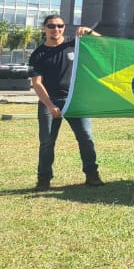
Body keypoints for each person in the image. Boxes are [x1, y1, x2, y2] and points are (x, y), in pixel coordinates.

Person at [31, 14, 102, 190]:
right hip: (50, 101)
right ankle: (44, 179)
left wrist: (90, 32)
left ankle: (92, 175)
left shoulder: (74, 44)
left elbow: (104, 46)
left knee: (86, 138)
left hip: (75, 100)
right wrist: (50, 105)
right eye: (51, 26)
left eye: (60, 26)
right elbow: (37, 83)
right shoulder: (38, 54)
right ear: (44, 29)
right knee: (47, 141)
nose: (56, 29)